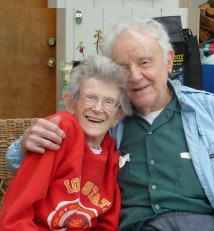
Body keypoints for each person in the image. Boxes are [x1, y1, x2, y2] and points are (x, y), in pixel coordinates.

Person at [5, 16, 214, 231]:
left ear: (169, 61)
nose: (134, 76)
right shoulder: (105, 119)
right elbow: (42, 155)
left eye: (145, 62)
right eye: (123, 67)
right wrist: (25, 144)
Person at [1, 55, 132, 230]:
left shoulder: (112, 157)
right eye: (90, 97)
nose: (98, 108)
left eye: (109, 102)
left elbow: (107, 223)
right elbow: (16, 214)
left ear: (117, 116)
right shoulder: (59, 132)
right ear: (70, 103)